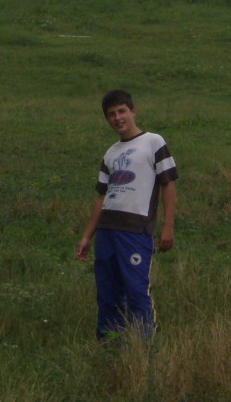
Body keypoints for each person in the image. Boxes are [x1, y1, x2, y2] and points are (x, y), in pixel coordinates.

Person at [75, 88, 178, 339]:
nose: (117, 118)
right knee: (108, 293)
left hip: (135, 230)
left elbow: (168, 183)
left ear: (133, 111)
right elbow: (102, 197)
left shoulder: (153, 142)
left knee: (135, 290)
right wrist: (88, 236)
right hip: (106, 232)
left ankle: (144, 348)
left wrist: (168, 226)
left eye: (122, 111)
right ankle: (110, 346)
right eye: (111, 114)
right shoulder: (110, 153)